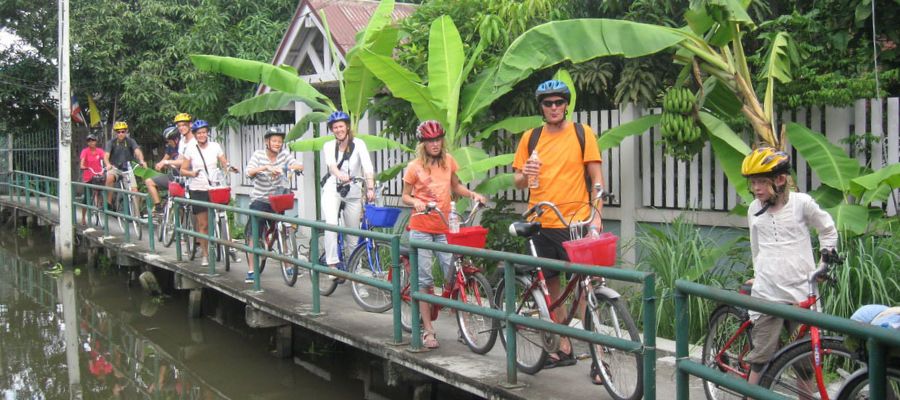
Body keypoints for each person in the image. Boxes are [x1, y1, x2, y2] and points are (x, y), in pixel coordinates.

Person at [512, 79, 604, 377]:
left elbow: (597, 179)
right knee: (552, 289)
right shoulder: (531, 137)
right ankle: (563, 348)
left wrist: (597, 216)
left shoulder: (582, 133)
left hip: (575, 222)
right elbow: (518, 181)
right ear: (541, 107)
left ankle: (598, 357)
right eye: (548, 103)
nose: (554, 108)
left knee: (585, 286)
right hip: (540, 221)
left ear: (566, 105)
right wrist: (525, 174)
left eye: (558, 102)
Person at [741, 146, 838, 387]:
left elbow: (827, 229)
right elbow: (757, 247)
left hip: (800, 292)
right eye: (753, 183)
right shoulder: (754, 209)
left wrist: (824, 263)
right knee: (760, 357)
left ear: (781, 179)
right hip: (768, 294)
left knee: (804, 361)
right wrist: (758, 274)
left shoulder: (801, 204)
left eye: (761, 182)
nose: (756, 189)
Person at [402, 120, 487, 349]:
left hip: (445, 229)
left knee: (454, 276)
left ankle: (463, 328)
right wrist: (417, 202)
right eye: (430, 140)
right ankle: (428, 331)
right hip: (421, 228)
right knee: (425, 281)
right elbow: (405, 196)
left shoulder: (448, 161)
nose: (435, 144)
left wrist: (473, 195)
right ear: (423, 144)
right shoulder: (415, 167)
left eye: (438, 139)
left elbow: (456, 186)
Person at [320, 111, 376, 281]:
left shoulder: (359, 144)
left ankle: (355, 273)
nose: (338, 129)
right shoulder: (329, 146)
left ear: (347, 127)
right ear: (332, 130)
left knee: (353, 234)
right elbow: (331, 166)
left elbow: (367, 167)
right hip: (333, 189)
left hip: (353, 191)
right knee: (331, 225)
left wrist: (370, 187)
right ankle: (332, 265)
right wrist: (339, 175)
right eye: (335, 127)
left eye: (341, 126)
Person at [243, 126, 303, 283]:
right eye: (274, 140)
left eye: (280, 141)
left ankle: (288, 266)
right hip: (260, 200)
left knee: (282, 231)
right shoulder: (258, 155)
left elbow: (299, 165)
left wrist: (285, 167)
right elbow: (248, 171)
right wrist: (266, 167)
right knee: (254, 234)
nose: (277, 143)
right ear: (267, 142)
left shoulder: (284, 155)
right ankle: (251, 270)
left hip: (278, 200)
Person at [180, 119, 237, 267]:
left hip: (215, 187)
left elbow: (224, 162)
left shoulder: (215, 146)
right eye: (199, 133)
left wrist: (230, 168)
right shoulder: (190, 149)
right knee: (203, 224)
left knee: (223, 216)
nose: (202, 135)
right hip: (198, 188)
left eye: (204, 132)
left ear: (207, 133)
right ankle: (205, 253)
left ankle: (229, 246)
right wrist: (192, 173)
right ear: (195, 135)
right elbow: (183, 170)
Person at [104, 121, 147, 207]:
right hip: (115, 167)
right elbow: (106, 156)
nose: (121, 134)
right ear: (115, 133)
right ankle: (108, 203)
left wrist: (141, 160)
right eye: (118, 132)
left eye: (123, 131)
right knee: (109, 178)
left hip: (127, 168)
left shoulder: (130, 141)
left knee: (135, 191)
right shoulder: (111, 142)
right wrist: (108, 164)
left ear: (126, 132)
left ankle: (136, 214)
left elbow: (137, 151)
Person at [144, 126, 181, 215]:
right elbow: (164, 161)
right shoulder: (170, 147)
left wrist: (168, 162)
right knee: (149, 181)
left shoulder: (184, 146)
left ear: (175, 139)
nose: (168, 143)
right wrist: (160, 165)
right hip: (173, 176)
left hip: (183, 178)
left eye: (169, 140)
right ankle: (158, 206)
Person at [79, 134, 111, 224]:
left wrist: (107, 165)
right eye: (89, 141)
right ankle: (83, 217)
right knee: (86, 197)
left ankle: (99, 206)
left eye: (93, 140)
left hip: (98, 175)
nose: (91, 142)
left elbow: (105, 158)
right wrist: (84, 166)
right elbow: (82, 163)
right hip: (88, 176)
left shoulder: (99, 151)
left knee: (101, 190)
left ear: (96, 141)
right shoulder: (85, 151)